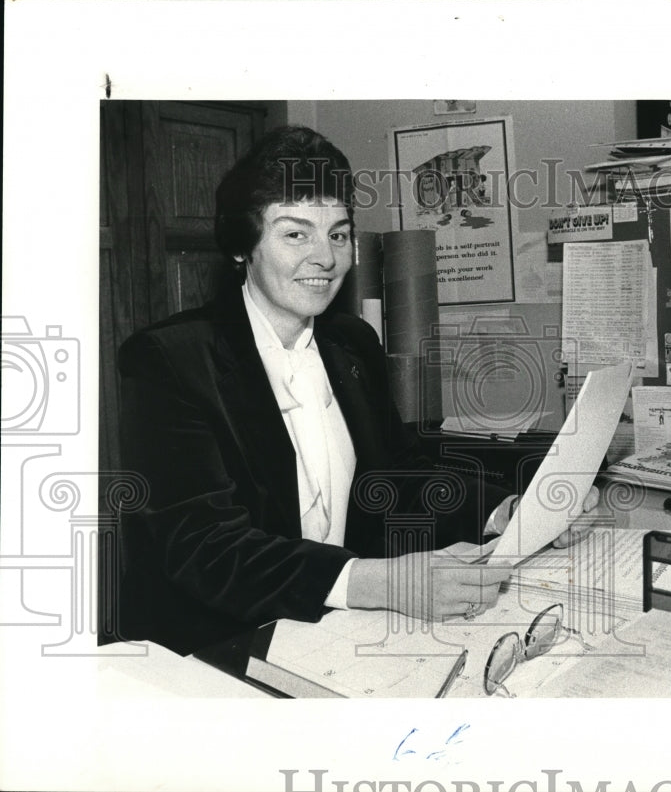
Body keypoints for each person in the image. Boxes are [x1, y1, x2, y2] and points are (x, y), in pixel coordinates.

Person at [113, 126, 590, 658]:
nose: (325, 258)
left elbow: (398, 476)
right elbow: (206, 549)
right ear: (243, 246)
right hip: (205, 648)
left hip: (329, 633)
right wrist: (379, 583)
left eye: (338, 235)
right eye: (296, 234)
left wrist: (506, 512)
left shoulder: (352, 344)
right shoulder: (168, 360)